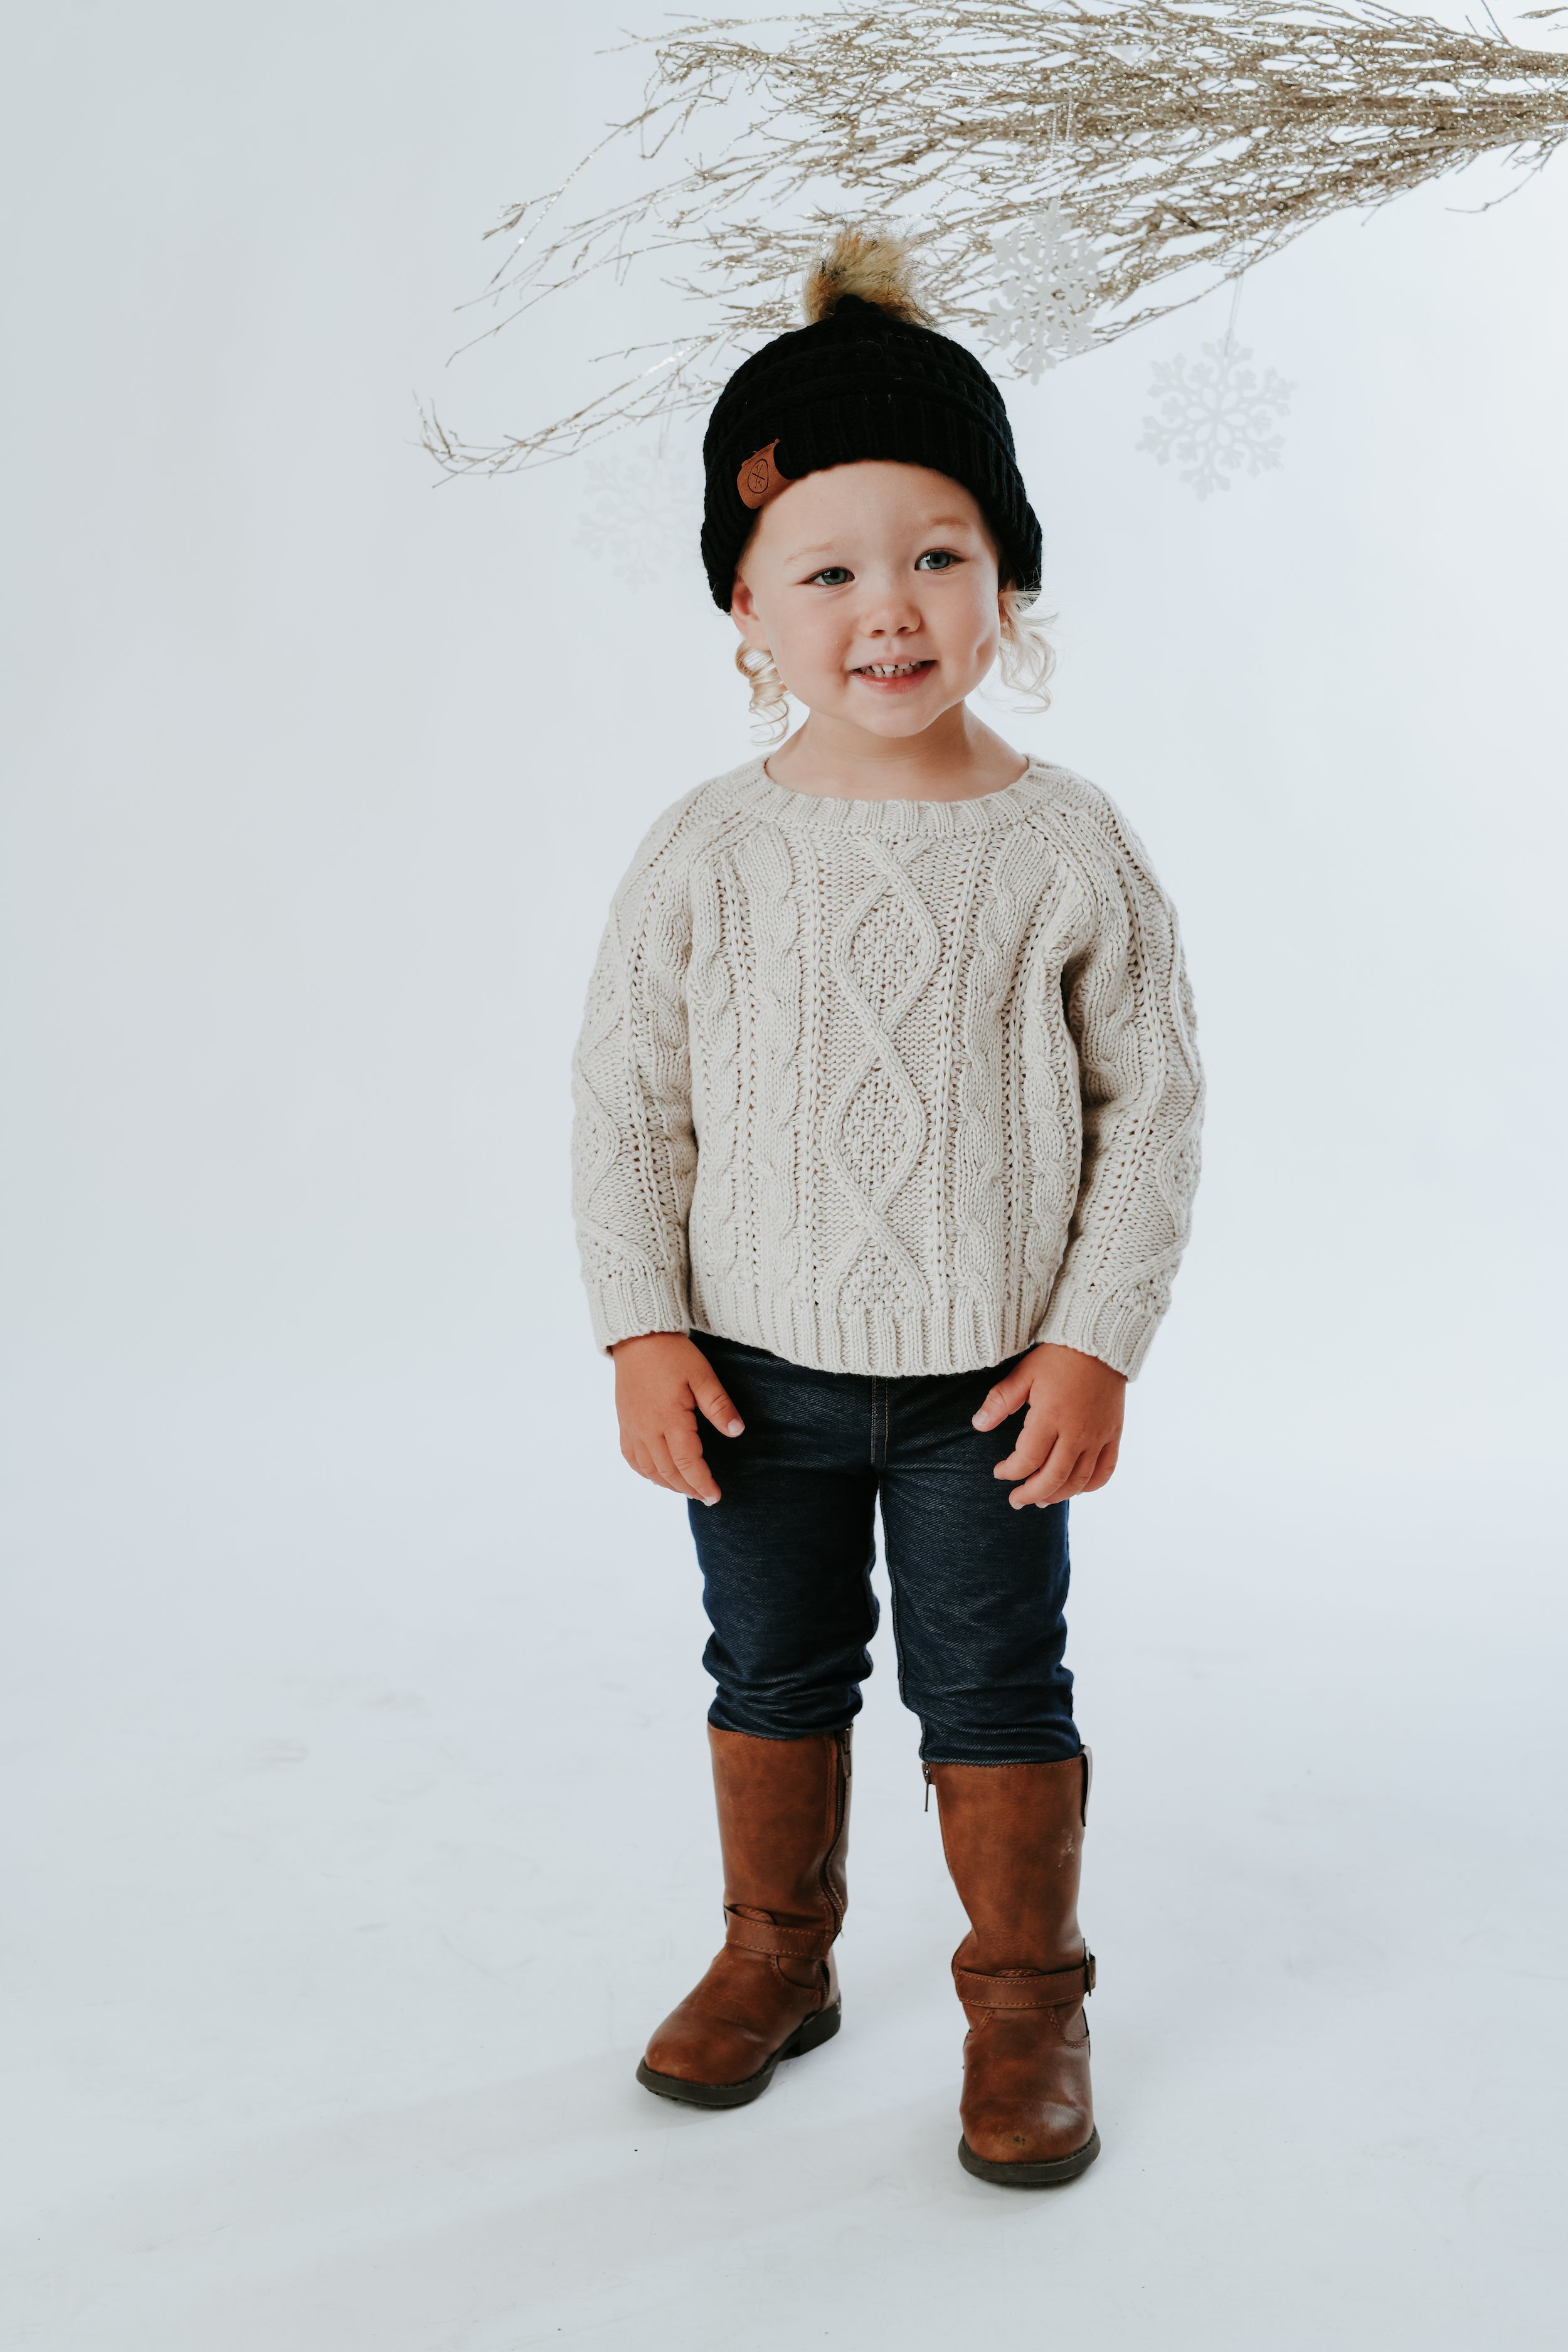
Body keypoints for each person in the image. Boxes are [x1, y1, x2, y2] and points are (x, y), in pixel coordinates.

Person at [569, 228, 1204, 2186]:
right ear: (744, 606)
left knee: (994, 1685)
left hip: (987, 1395)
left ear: (1004, 573)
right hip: (753, 1373)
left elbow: (1153, 1108)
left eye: (936, 554)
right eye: (827, 569)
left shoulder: (1063, 842)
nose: (889, 609)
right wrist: (643, 1325)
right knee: (769, 1673)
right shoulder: (710, 845)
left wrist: (1094, 1337)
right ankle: (780, 1953)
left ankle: (1026, 1999)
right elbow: (625, 1101)